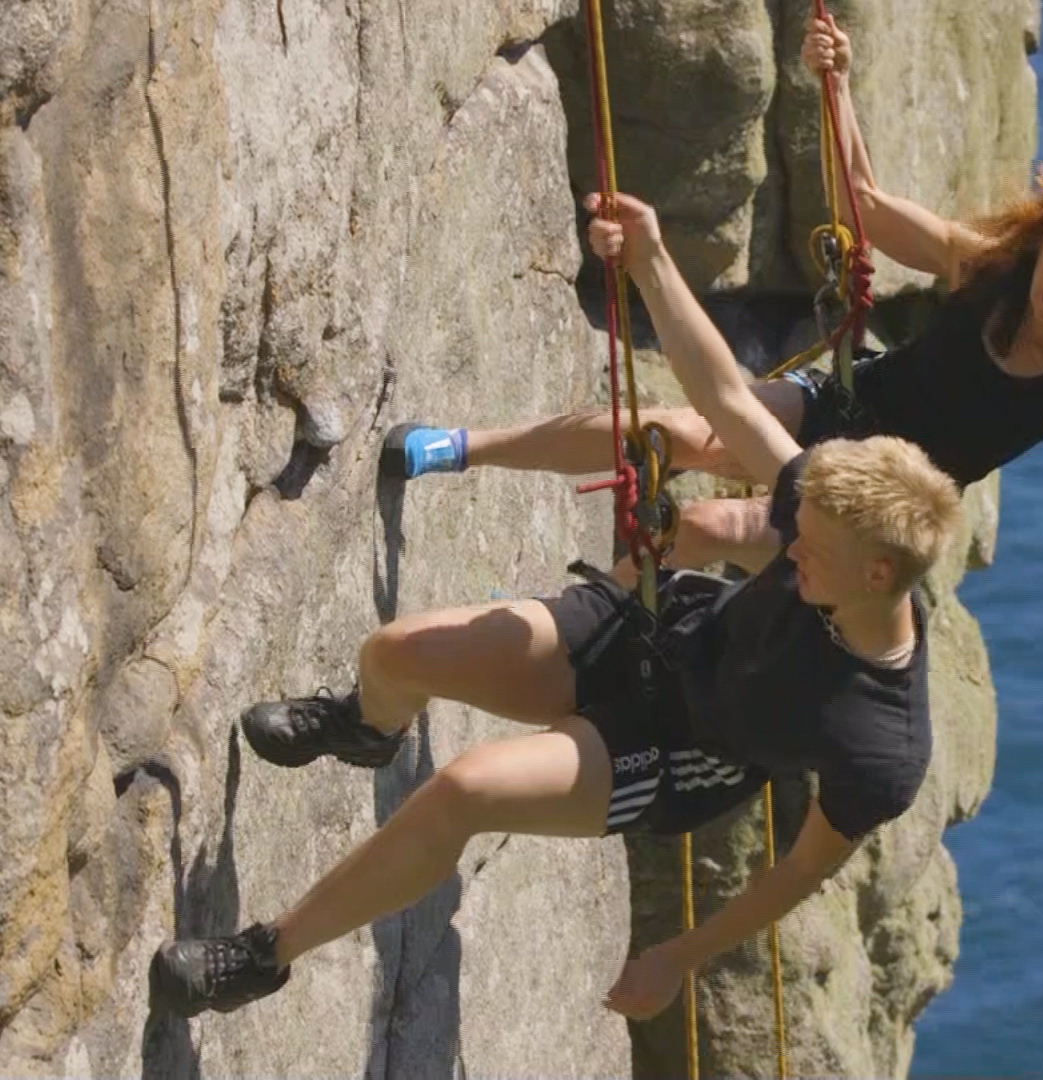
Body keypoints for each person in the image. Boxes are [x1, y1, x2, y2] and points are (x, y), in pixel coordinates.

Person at [147, 189, 965, 1022]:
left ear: (877, 574)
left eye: (811, 553)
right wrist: (648, 258)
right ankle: (369, 726)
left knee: (465, 790)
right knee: (396, 653)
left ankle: (261, 956)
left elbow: (797, 873)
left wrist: (678, 957)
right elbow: (723, 397)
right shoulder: (826, 511)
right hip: (659, 632)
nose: (786, 548)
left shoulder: (883, 747)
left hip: (681, 749)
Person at [381, 14, 1043, 775]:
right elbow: (866, 208)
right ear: (1040, 247)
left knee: (704, 528)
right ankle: (462, 447)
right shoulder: (988, 271)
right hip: (844, 405)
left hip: (874, 498)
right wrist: (834, 85)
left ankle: (584, 644)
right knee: (678, 431)